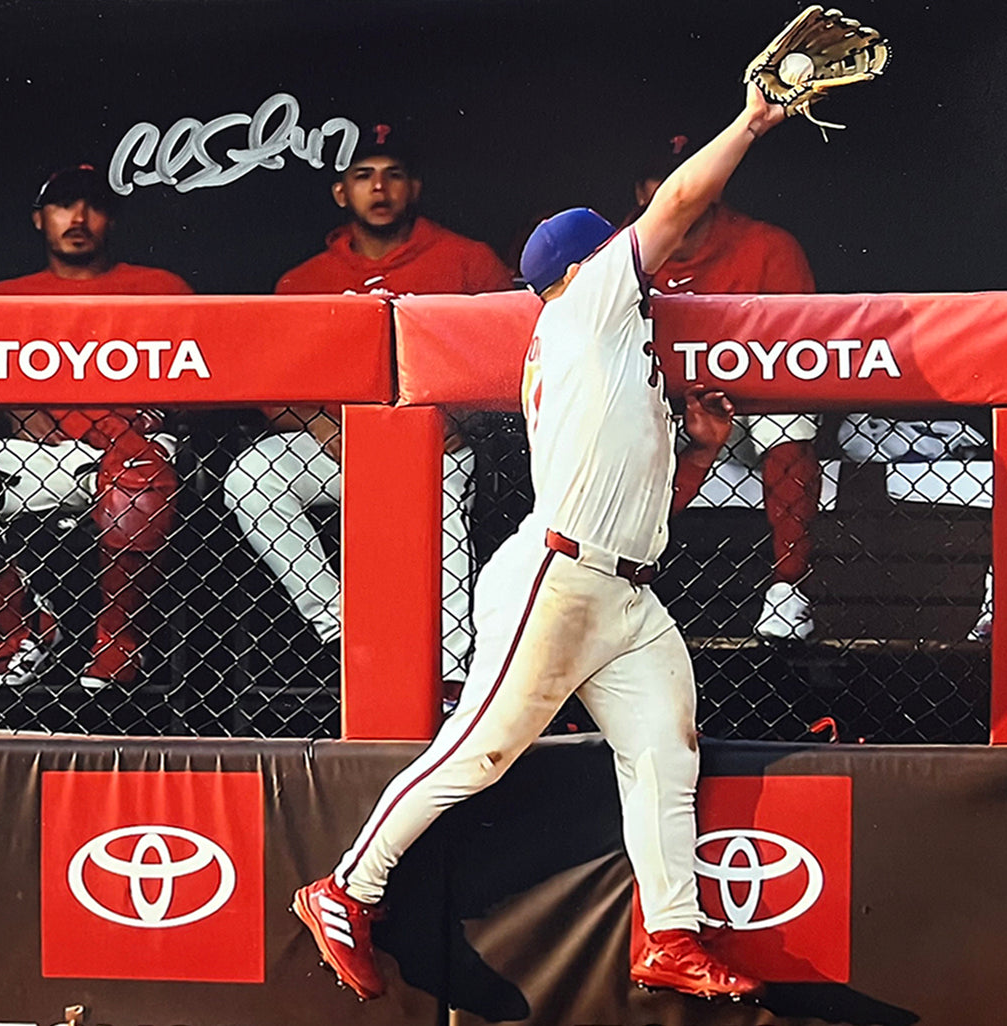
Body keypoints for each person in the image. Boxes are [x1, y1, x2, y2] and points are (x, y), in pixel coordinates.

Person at [291, 85, 791, 1004]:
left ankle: (670, 934)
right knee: (476, 752)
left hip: (627, 594)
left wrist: (701, 454)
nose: (636, 255)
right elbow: (677, 204)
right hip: (557, 580)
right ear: (588, 262)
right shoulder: (586, 305)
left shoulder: (618, 352)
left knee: (665, 751)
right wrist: (751, 122)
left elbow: (650, 514)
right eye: (618, 246)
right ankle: (345, 887)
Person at [222, 121, 513, 696]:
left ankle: (450, 674)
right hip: (332, 445)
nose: (379, 189)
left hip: (432, 437)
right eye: (363, 176)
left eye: (392, 175)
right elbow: (269, 385)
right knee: (250, 479)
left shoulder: (465, 261)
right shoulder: (307, 279)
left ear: (414, 187)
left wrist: (456, 418)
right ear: (340, 193)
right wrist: (322, 424)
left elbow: (511, 361)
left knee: (442, 513)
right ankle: (345, 624)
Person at [0, 164, 191, 690]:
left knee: (139, 485)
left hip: (131, 450)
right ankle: (23, 630)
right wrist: (21, 413)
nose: (78, 218)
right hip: (43, 451)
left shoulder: (159, 288)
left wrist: (136, 422)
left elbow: (201, 387)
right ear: (40, 219)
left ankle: (117, 640)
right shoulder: (5, 297)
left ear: (113, 219)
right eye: (63, 205)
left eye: (93, 206)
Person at [627, 133, 821, 642]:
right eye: (663, 178)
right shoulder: (619, 254)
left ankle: (786, 588)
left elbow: (805, 364)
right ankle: (621, 587)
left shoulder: (767, 246)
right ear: (641, 192)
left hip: (748, 414)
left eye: (691, 174)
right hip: (662, 411)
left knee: (790, 415)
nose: (681, 189)